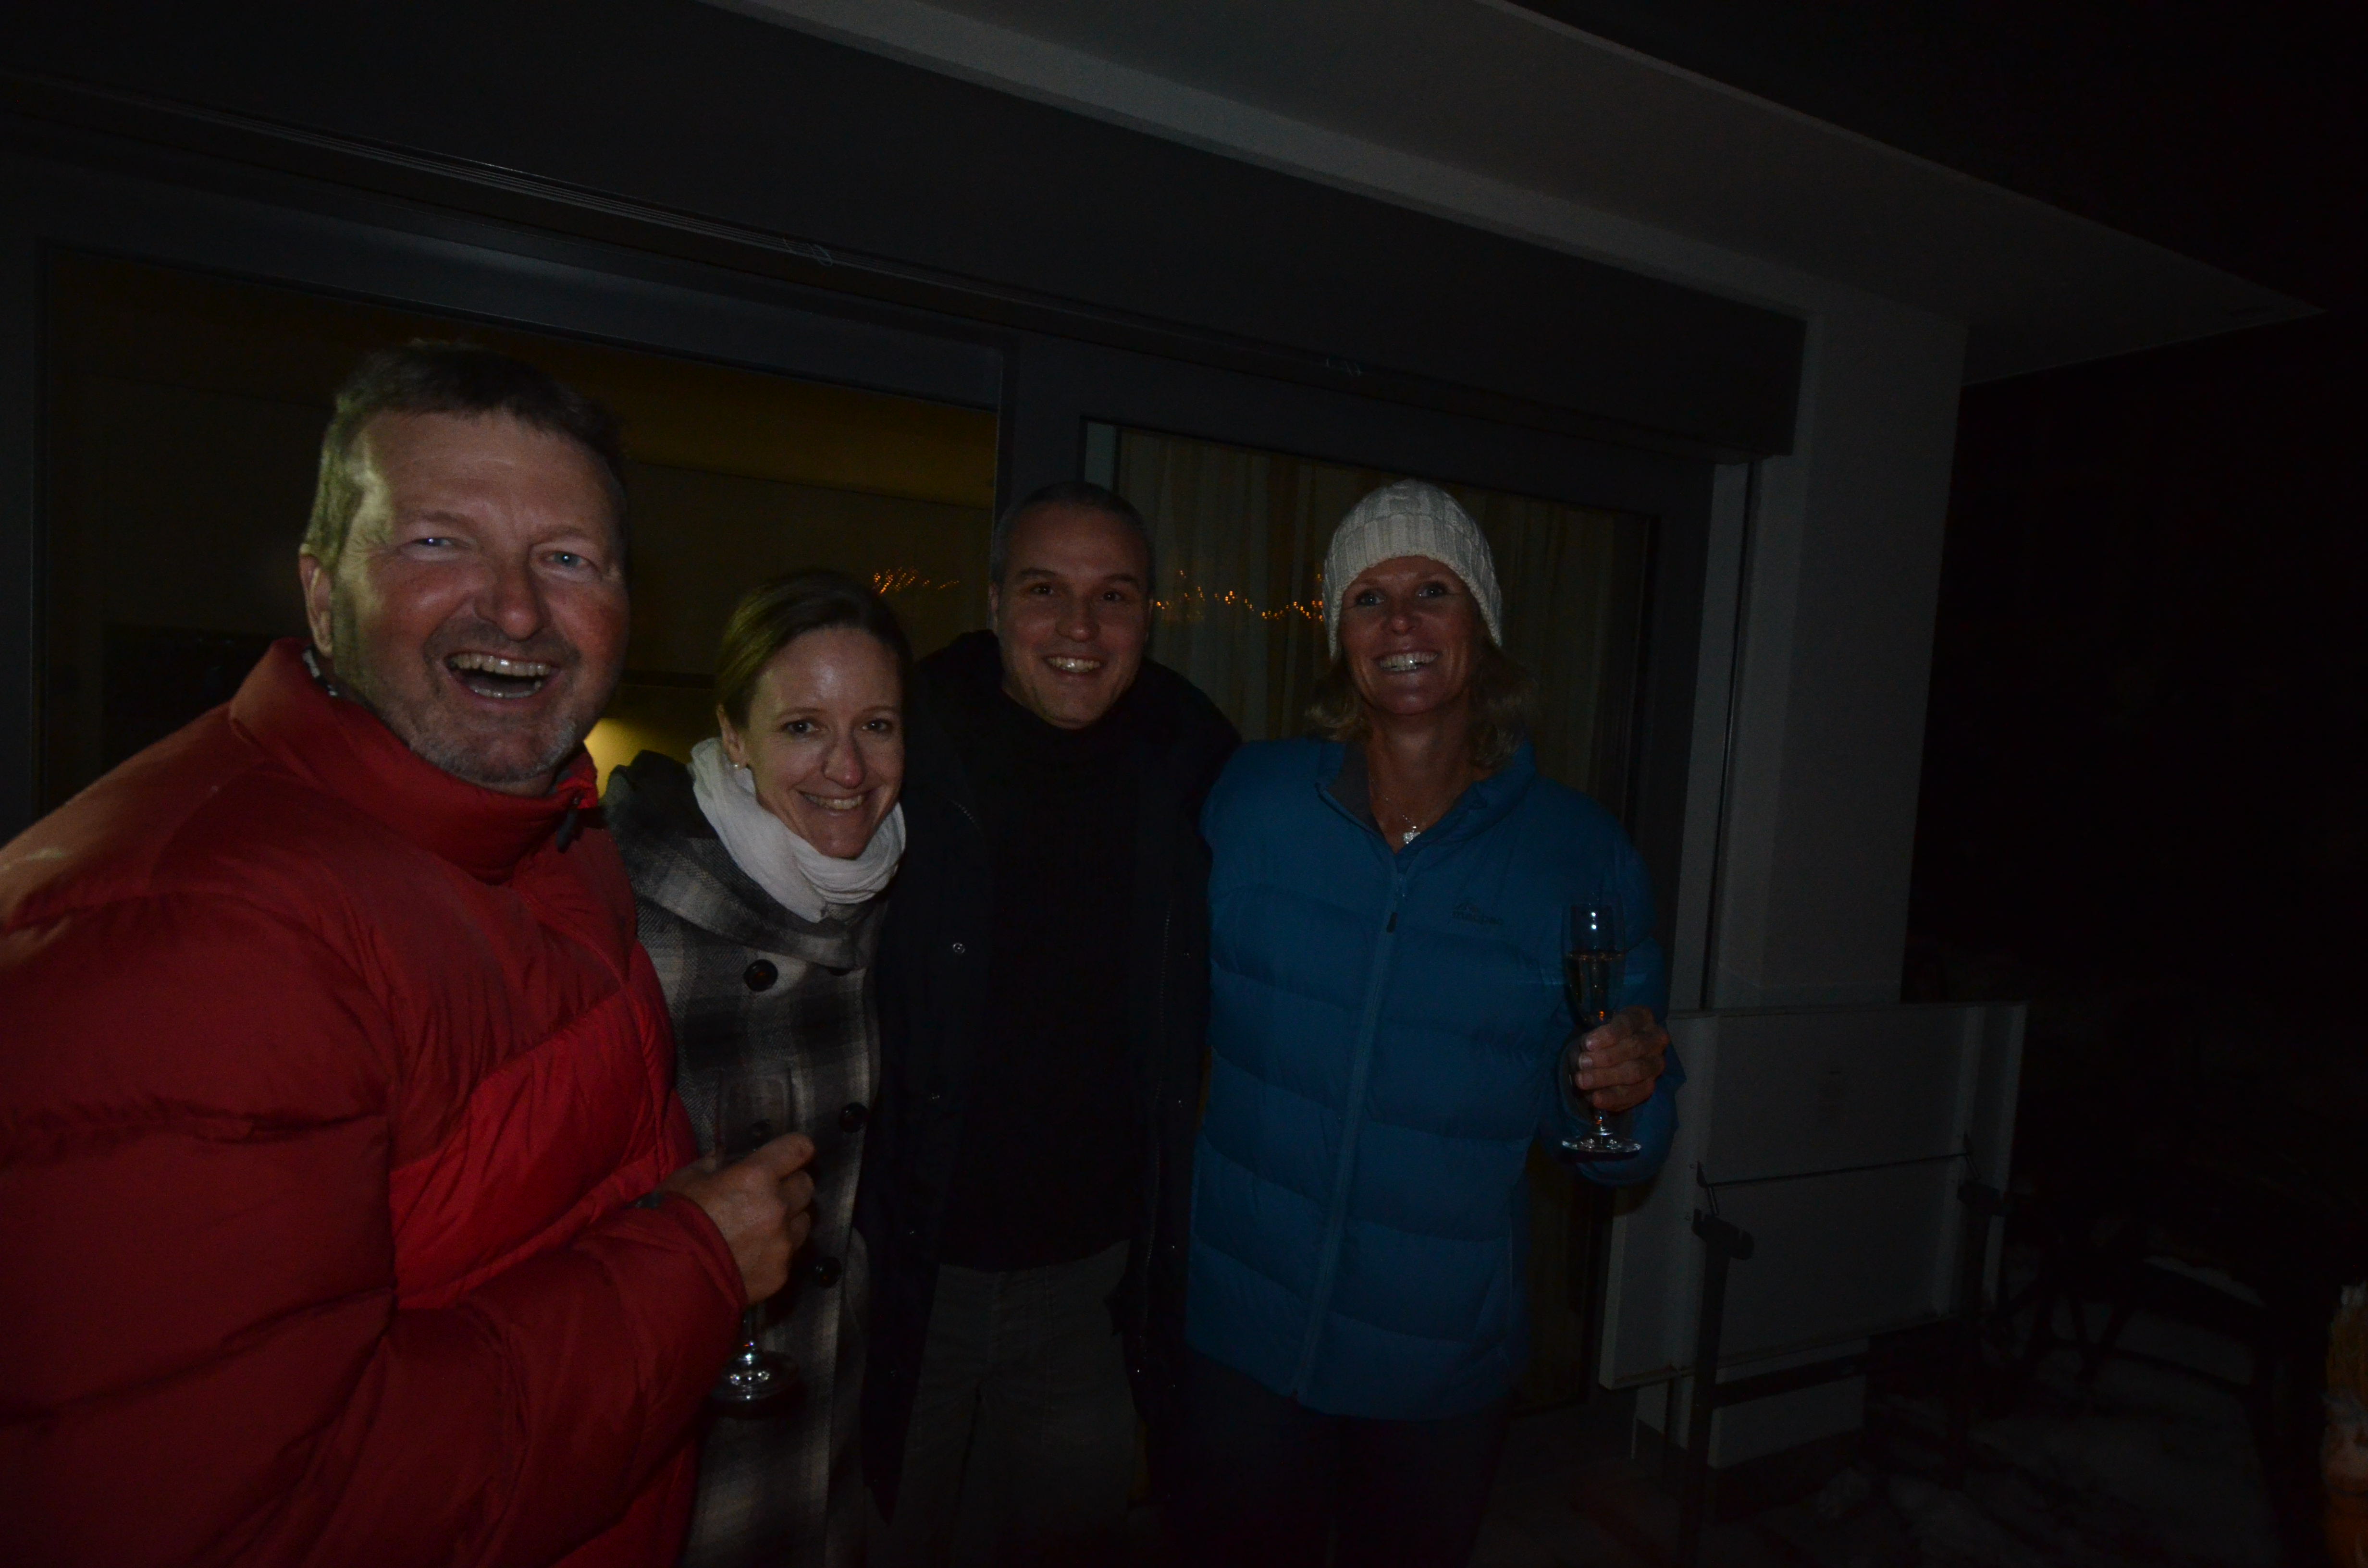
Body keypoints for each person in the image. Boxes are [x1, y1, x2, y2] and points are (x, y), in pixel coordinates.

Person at [0, 343, 816, 1568]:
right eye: (439, 542)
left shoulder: (551, 827)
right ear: (322, 594)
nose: (518, 609)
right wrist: (694, 1268)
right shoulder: (196, 927)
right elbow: (253, 1519)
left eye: (568, 559)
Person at [1178, 480, 1680, 1567]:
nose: (1399, 620)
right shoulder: (1252, 801)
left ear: (1481, 625)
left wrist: (1621, 1092)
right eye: (1368, 597)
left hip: (1437, 1365)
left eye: (1432, 590)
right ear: (1338, 638)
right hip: (1242, 1333)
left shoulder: (1577, 854)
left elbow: (1620, 1143)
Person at [862, 481, 1239, 1565]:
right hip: (909, 1278)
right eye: (1045, 591)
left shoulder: (1193, 758)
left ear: (1149, 615)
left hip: (1090, 1287)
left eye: (1112, 595)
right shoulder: (902, 745)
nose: (1080, 627)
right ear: (992, 604)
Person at [604, 570, 912, 1568]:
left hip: (829, 1390)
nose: (847, 769)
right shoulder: (627, 919)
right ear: (734, 735)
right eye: (802, 727)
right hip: (675, 1406)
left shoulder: (884, 895)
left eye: (877, 726)